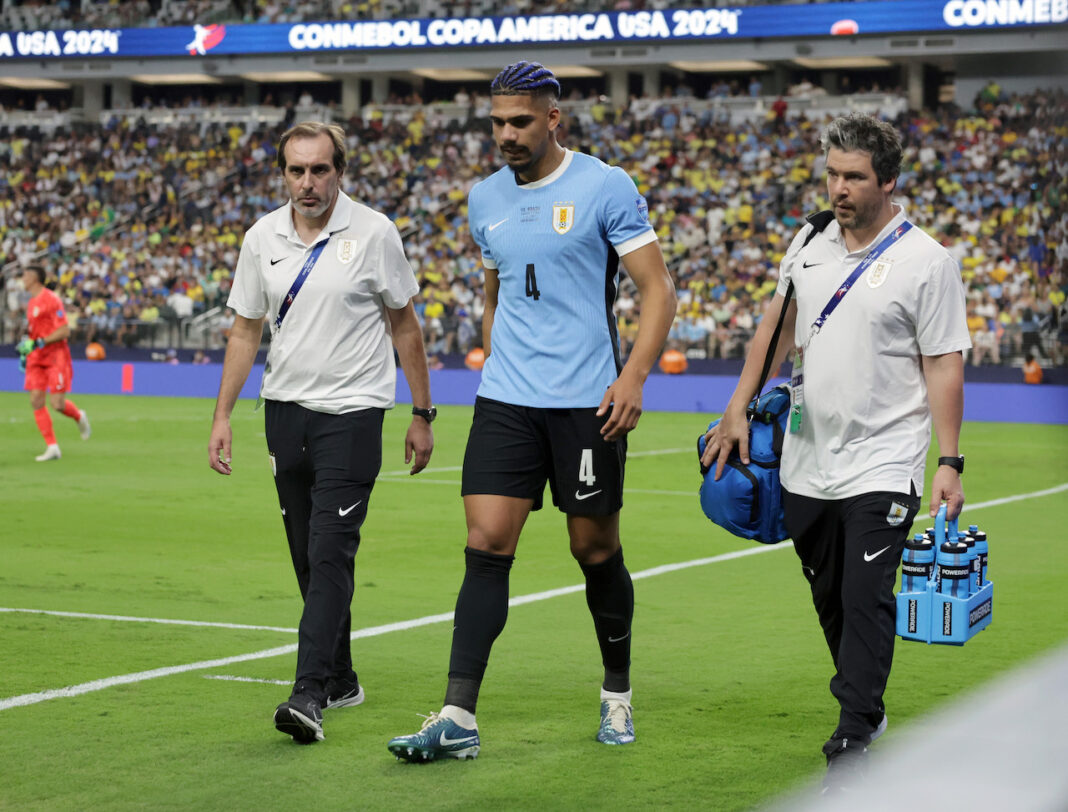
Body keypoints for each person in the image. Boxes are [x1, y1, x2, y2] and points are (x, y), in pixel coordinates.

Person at [387, 62, 676, 762]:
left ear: (554, 120)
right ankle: (458, 715)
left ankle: (616, 695)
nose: (506, 135)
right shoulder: (484, 198)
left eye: (520, 122)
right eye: (497, 123)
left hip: (588, 402)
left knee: (594, 549)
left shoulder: (606, 186)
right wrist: (498, 360)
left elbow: (658, 290)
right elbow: (496, 292)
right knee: (486, 545)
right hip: (508, 401)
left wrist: (633, 376)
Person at [700, 113, 969, 793]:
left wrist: (949, 459)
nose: (839, 188)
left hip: (887, 459)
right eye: (832, 173)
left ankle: (853, 731)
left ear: (888, 181)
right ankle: (863, 701)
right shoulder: (811, 239)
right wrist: (735, 413)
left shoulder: (925, 261)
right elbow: (777, 329)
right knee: (830, 599)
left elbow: (943, 362)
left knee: (866, 592)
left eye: (853, 177)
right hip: (807, 457)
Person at [208, 121, 435, 745]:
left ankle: (308, 694)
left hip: (355, 412)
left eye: (319, 170)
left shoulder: (373, 233)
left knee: (332, 549)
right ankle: (341, 676)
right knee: (308, 557)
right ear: (283, 173)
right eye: (296, 170)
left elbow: (405, 325)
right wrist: (223, 414)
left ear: (340, 171)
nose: (308, 183)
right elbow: (245, 331)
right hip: (285, 413)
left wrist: (422, 412)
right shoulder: (262, 237)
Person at [17, 265, 91, 461]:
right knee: (35, 400)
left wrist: (40, 341)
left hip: (55, 356)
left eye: (24, 275)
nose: (22, 279)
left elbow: (64, 331)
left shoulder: (51, 299)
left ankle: (78, 416)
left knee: (57, 404)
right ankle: (52, 447)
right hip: (36, 357)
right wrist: (26, 350)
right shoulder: (32, 303)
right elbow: (34, 334)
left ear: (34, 278)